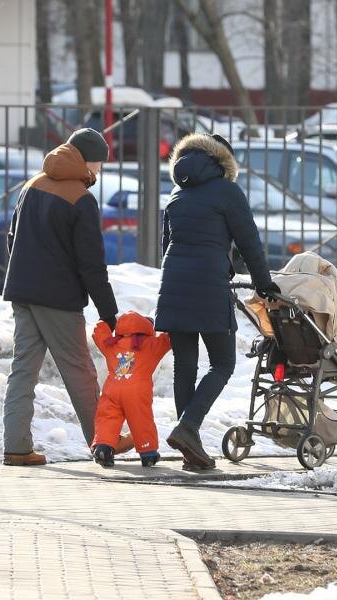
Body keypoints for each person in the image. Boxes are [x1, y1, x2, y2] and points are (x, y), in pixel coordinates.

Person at [155, 133, 280, 470]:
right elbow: (249, 242)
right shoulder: (227, 191)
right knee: (223, 363)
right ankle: (188, 427)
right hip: (208, 284)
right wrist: (264, 284)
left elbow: (166, 244)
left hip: (174, 283)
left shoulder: (177, 193)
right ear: (224, 162)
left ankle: (189, 448)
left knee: (184, 366)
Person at [1, 128, 117, 466]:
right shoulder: (81, 198)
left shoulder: (32, 185)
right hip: (59, 298)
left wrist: (25, 275)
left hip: (23, 291)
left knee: (23, 370)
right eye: (99, 163)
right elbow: (91, 265)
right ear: (87, 160)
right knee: (80, 372)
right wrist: (109, 313)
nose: (99, 170)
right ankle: (103, 441)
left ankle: (16, 447)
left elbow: (12, 238)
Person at [89, 311, 172, 468]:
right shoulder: (151, 344)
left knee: (108, 418)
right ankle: (148, 453)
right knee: (141, 419)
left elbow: (98, 333)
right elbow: (169, 338)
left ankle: (103, 448)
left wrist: (104, 321)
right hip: (137, 391)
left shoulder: (112, 343)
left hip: (113, 388)